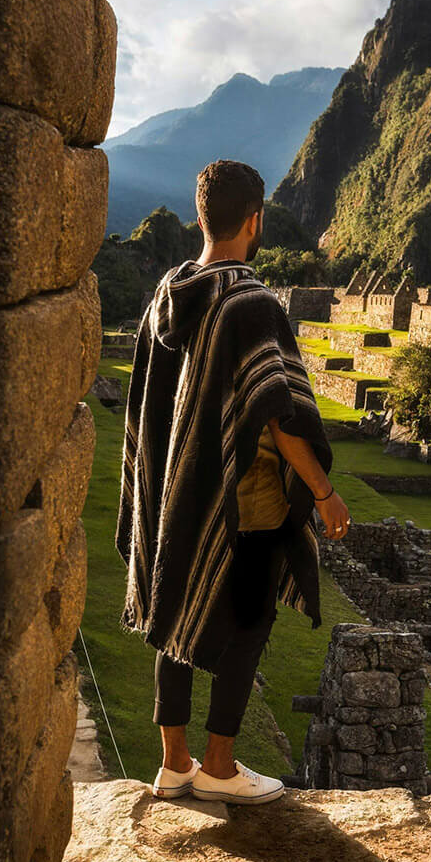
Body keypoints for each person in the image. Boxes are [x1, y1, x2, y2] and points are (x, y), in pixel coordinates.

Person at [115, 159, 350, 806]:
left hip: (178, 492)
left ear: (199, 217)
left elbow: (153, 403)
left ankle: (174, 761)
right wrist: (324, 493)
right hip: (246, 501)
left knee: (175, 607)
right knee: (247, 618)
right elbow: (279, 412)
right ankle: (219, 764)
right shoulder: (251, 302)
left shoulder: (169, 292)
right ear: (256, 221)